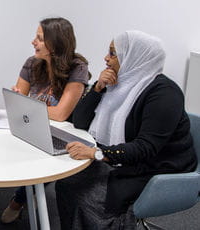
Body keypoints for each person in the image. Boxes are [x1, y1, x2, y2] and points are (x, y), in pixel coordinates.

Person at [55, 30, 197, 229]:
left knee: (87, 198)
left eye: (113, 53)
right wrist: (97, 88)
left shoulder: (165, 94)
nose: (106, 58)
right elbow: (79, 121)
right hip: (123, 159)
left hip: (156, 167)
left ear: (134, 57)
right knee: (66, 183)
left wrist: (97, 153)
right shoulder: (118, 84)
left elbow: (145, 148)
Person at [1, 17, 90, 224]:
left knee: (43, 157)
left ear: (55, 43)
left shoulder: (78, 67)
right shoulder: (32, 63)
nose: (33, 42)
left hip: (63, 131)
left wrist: (27, 105)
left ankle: (19, 200)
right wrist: (21, 101)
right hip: (32, 124)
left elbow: (61, 114)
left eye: (39, 38)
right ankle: (26, 195)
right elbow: (18, 102)